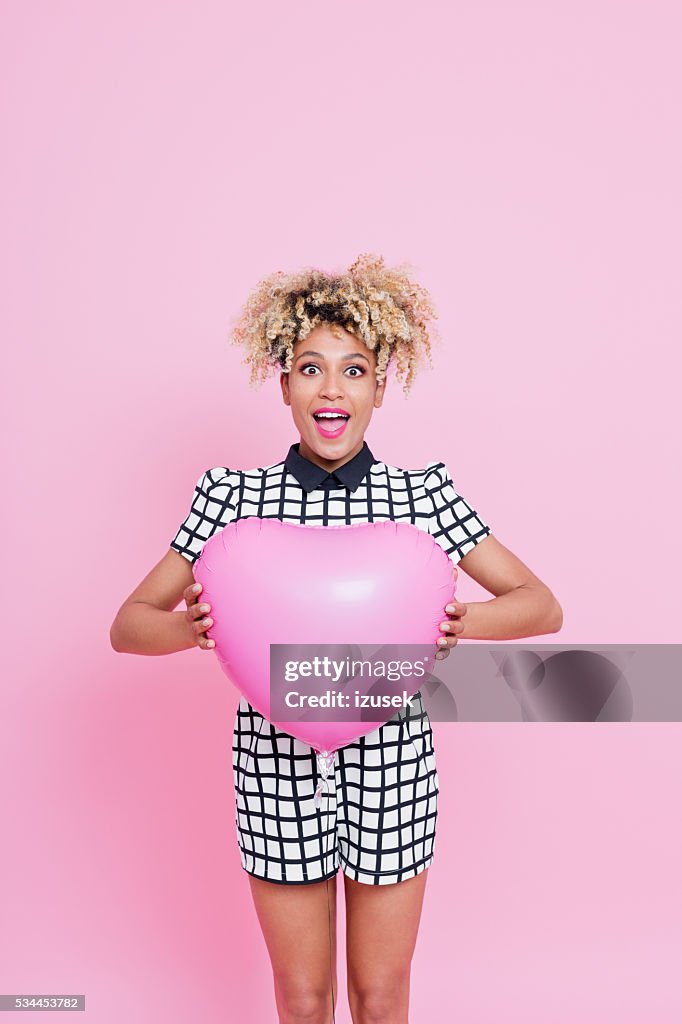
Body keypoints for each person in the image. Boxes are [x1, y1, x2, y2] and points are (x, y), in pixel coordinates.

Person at [110, 253, 562, 1024]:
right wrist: (191, 629)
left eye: (354, 370)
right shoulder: (232, 498)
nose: (332, 389)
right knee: (302, 998)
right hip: (273, 774)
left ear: (380, 388)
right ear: (283, 383)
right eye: (312, 369)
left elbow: (540, 605)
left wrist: (459, 622)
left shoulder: (424, 496)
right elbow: (128, 625)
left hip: (395, 773)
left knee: (381, 998)